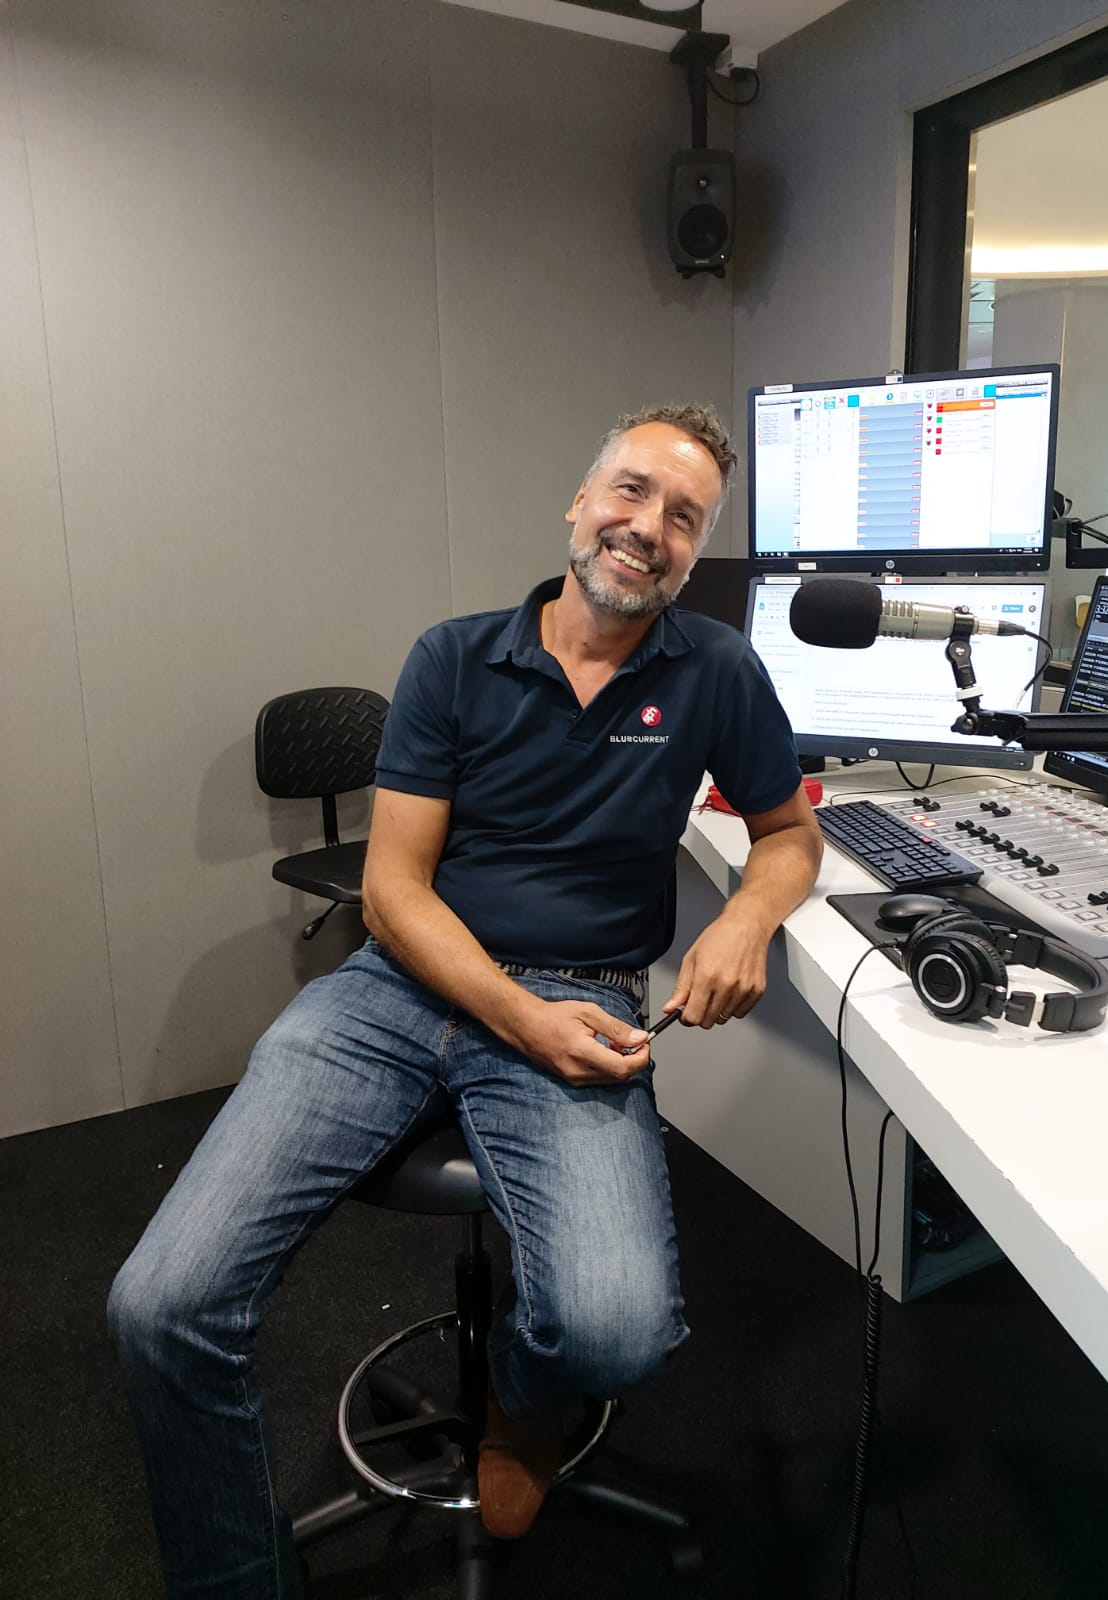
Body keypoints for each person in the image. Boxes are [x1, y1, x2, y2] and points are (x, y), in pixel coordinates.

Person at [108, 403, 823, 1598]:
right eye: (631, 490)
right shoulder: (453, 656)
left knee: (616, 1334)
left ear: (697, 551)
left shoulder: (716, 671)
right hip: (398, 988)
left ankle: (520, 1402)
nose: (649, 526)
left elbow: (789, 835)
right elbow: (392, 893)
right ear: (579, 501)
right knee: (160, 1305)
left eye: (684, 515)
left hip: (581, 995)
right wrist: (514, 1014)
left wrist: (747, 918)